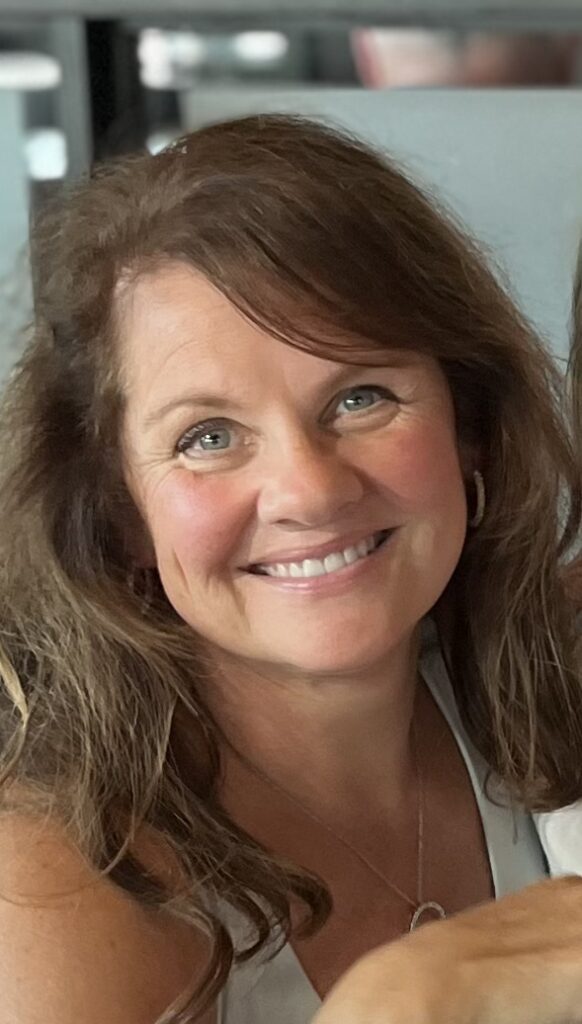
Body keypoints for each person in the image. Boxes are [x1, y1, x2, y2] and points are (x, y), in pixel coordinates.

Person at [0, 113, 581, 1024]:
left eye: (360, 397)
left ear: (470, 430)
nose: (308, 490)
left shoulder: (549, 672)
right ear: (118, 514)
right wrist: (407, 1001)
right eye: (208, 437)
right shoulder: (51, 894)